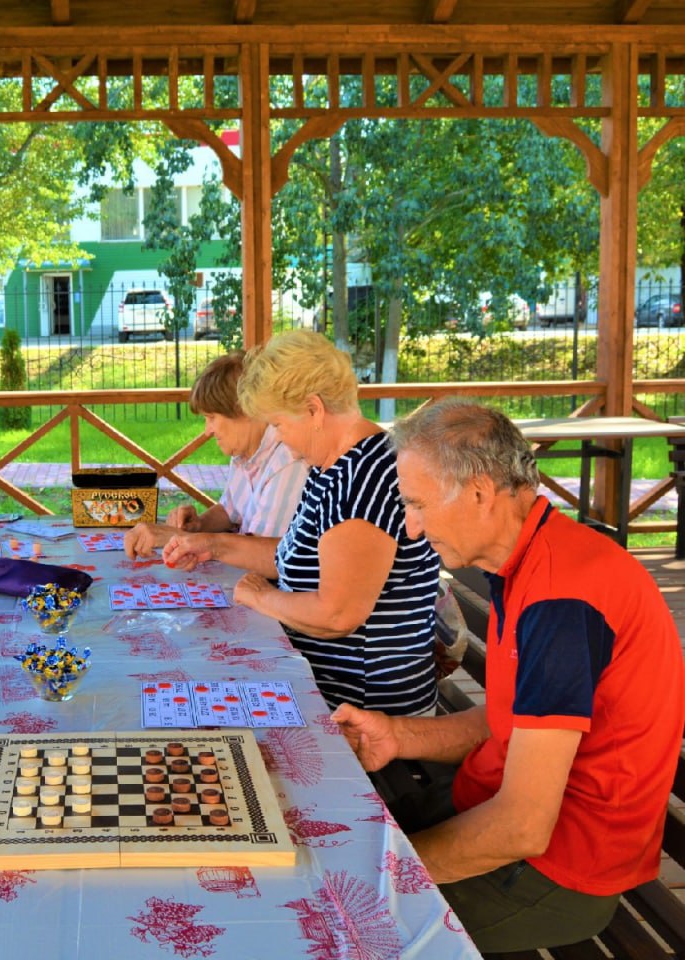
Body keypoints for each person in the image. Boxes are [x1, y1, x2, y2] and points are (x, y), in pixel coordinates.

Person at [334, 399, 685, 953]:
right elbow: (509, 719)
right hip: (500, 812)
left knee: (335, 919)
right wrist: (397, 735)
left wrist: (385, 878)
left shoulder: (562, 598)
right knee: (325, 832)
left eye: (418, 504)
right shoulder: (532, 557)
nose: (411, 525)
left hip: (559, 874)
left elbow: (522, 827)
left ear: (478, 492)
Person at [164, 331, 439, 716]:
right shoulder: (331, 465)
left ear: (314, 410)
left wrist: (262, 598)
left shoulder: (363, 479)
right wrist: (212, 545)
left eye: (277, 422)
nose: (275, 436)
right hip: (315, 678)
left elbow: (336, 615)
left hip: (361, 707)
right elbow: (293, 554)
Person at [124, 352, 307, 562]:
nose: (207, 431)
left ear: (247, 410)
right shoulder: (243, 450)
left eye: (211, 418)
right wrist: (199, 524)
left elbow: (267, 555)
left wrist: (176, 538)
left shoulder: (287, 461)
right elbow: (230, 511)